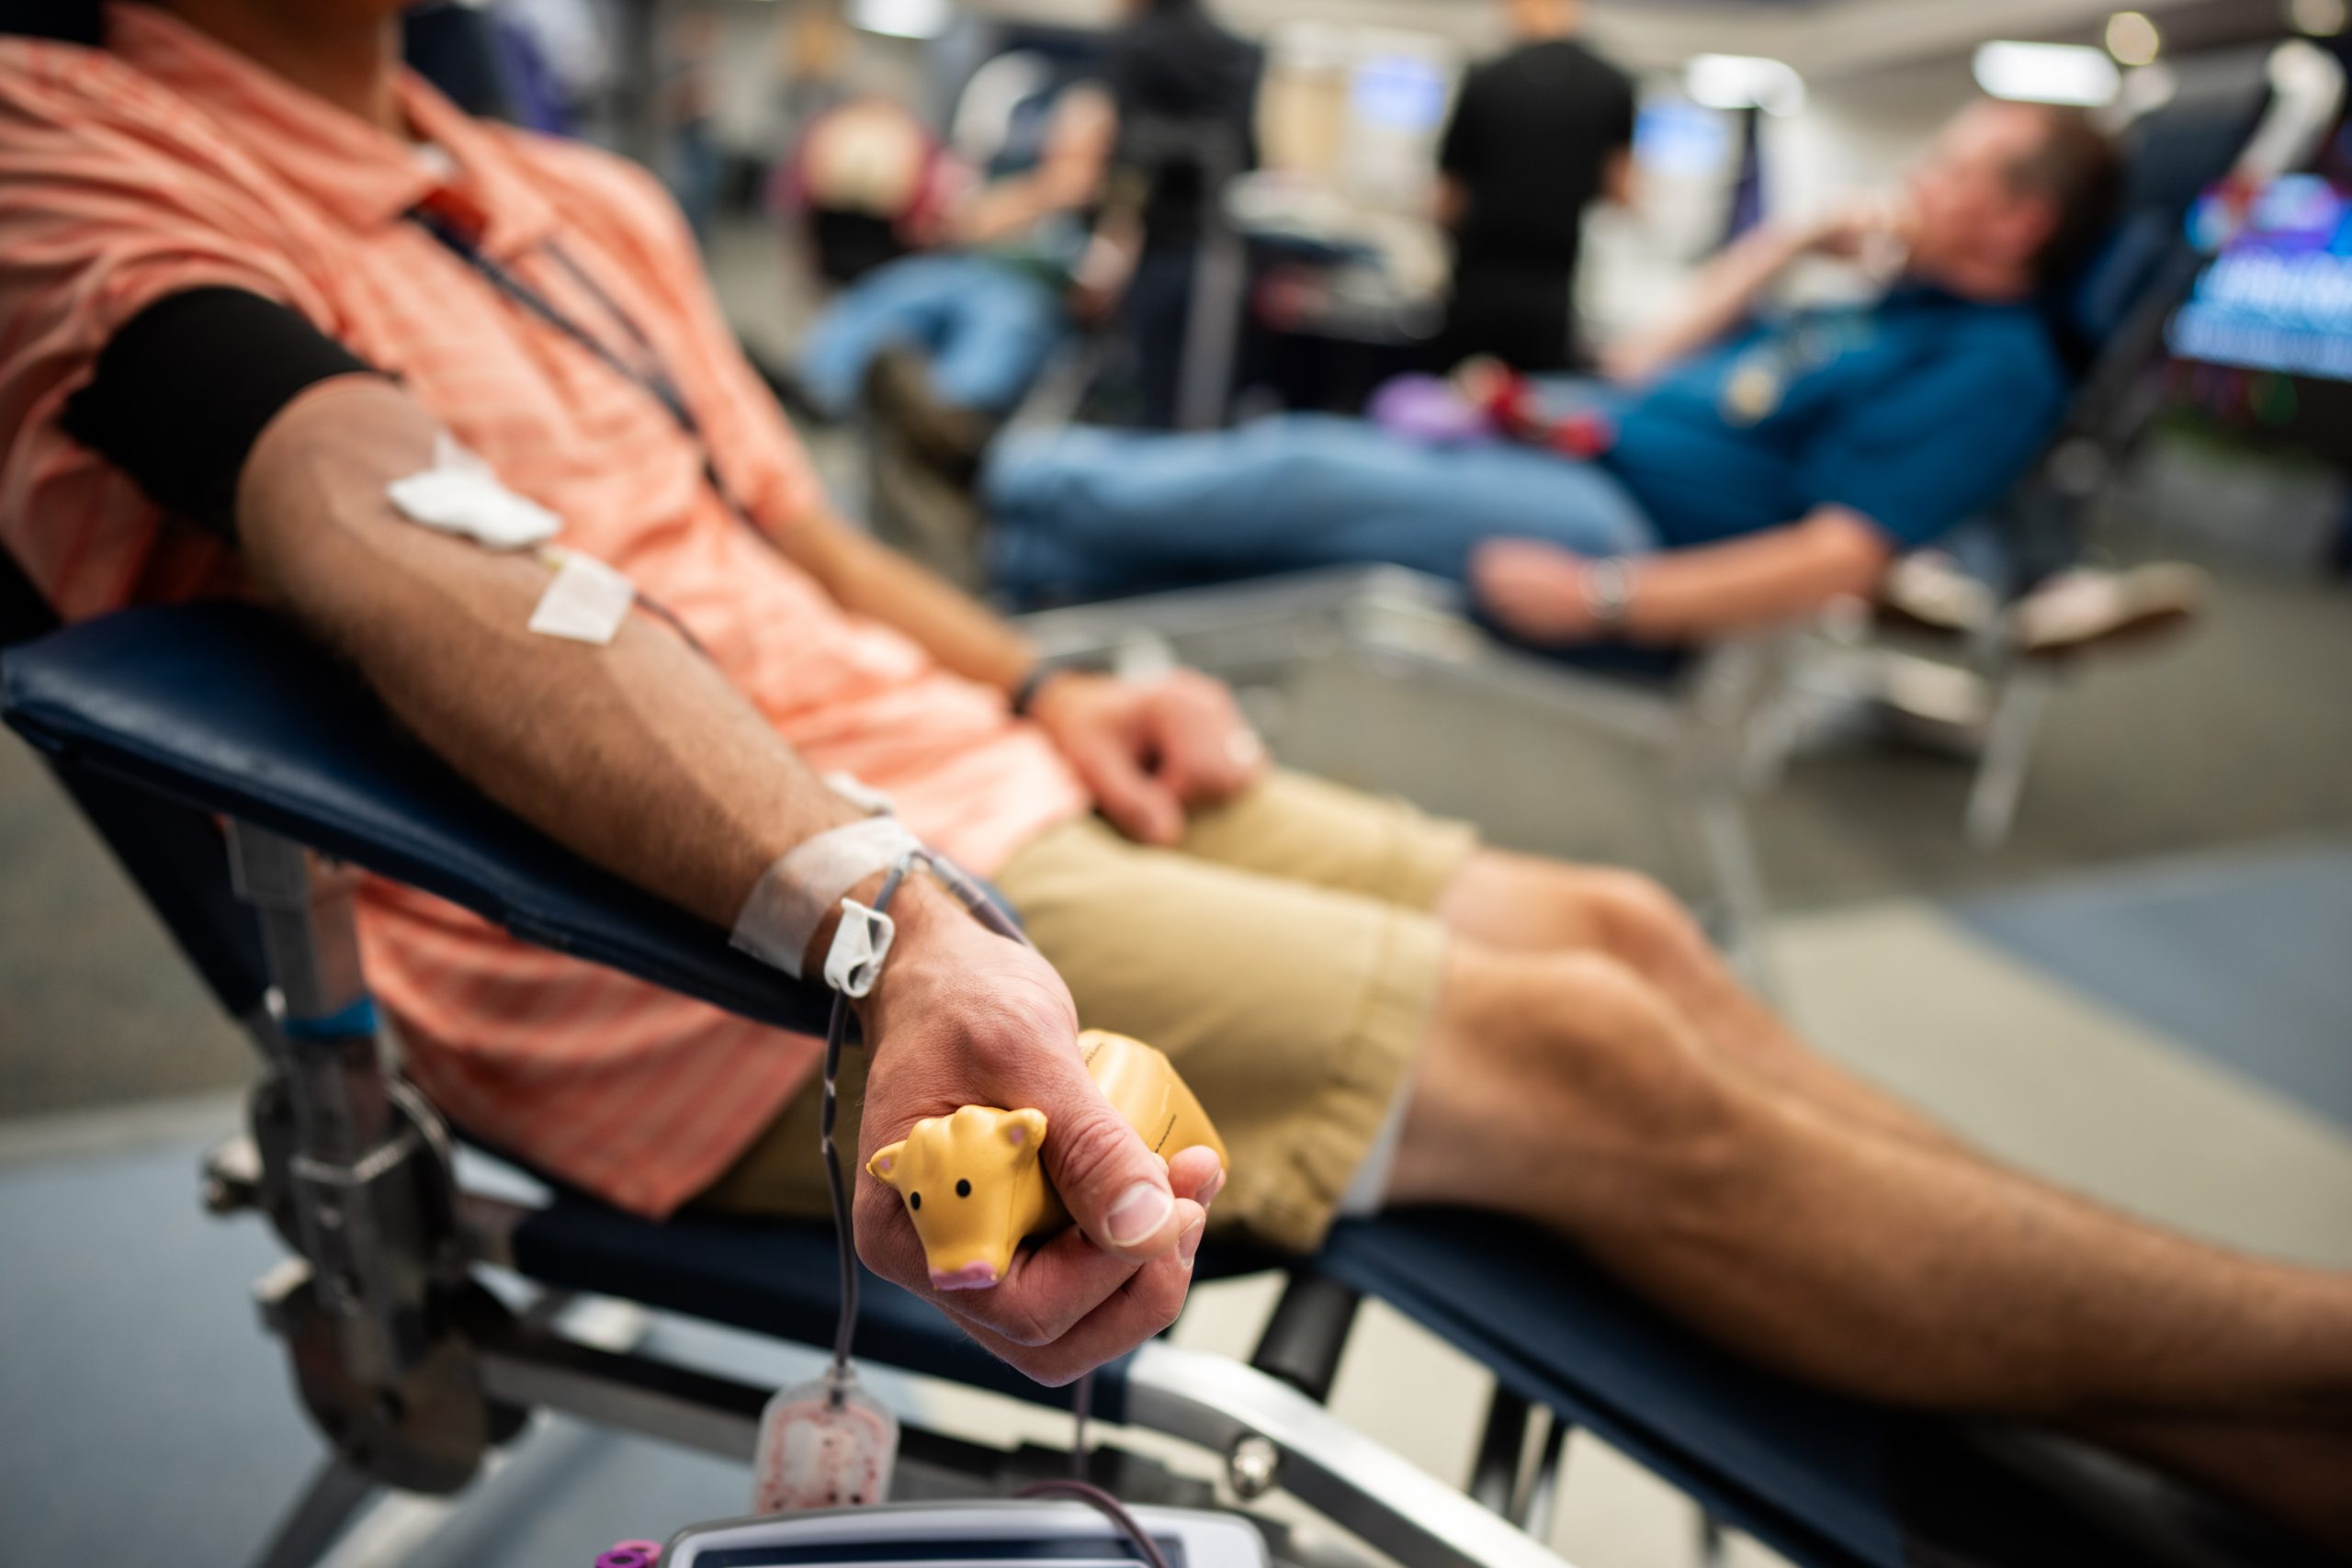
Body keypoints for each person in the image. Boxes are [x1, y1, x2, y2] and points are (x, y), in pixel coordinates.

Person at [3, 8, 2347, 1548]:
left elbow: (789, 533)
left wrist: (1048, 672)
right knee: (1588, 1054)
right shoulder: (62, 148)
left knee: (1623, 931)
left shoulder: (566, 193)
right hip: (676, 924)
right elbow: (376, 524)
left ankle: (2245, 1433)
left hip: (951, 770)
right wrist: (874, 905)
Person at [979, 98, 2113, 644]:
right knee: (1295, 493)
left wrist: (1606, 599)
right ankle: (1020, 560)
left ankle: (1004, 478)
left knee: (1304, 472)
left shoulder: (1994, 368)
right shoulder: (1888, 306)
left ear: (2019, 221)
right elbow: (1634, 363)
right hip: (1581, 455)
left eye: (1950, 169)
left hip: (1621, 536)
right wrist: (1780, 245)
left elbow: (1836, 561)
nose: (1916, 178)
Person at [792, 85, 1116, 438]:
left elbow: (1099, 296)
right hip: (966, 270)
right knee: (895, 288)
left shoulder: (1113, 205)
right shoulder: (1019, 174)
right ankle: (819, 384)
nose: (1074, 143)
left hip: (1033, 295)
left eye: (1090, 136)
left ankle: (942, 422)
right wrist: (1047, 192)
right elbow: (966, 225)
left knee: (1004, 323)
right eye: (1067, 131)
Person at [1432, 0, 1636, 373]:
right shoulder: (1614, 85)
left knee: (1458, 405)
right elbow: (1621, 194)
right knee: (1533, 411)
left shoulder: (1484, 78)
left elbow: (1446, 203)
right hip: (1551, 289)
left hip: (1478, 284)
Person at [1090, 0, 1261, 428]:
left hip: (1171, 242)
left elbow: (1131, 160)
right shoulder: (1232, 49)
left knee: (1157, 394)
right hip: (1218, 249)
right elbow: (1247, 154)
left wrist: (1108, 250)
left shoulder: (1139, 45)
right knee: (1196, 399)